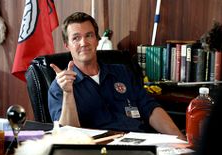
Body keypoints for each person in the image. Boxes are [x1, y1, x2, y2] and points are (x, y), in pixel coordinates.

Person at [48, 12, 185, 140]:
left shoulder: (122, 72)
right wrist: (68, 93)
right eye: (76, 38)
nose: (84, 43)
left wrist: (181, 140)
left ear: (97, 40)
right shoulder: (60, 86)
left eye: (89, 35)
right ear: (67, 45)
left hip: (140, 142)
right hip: (99, 149)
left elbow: (150, 108)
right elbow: (67, 135)